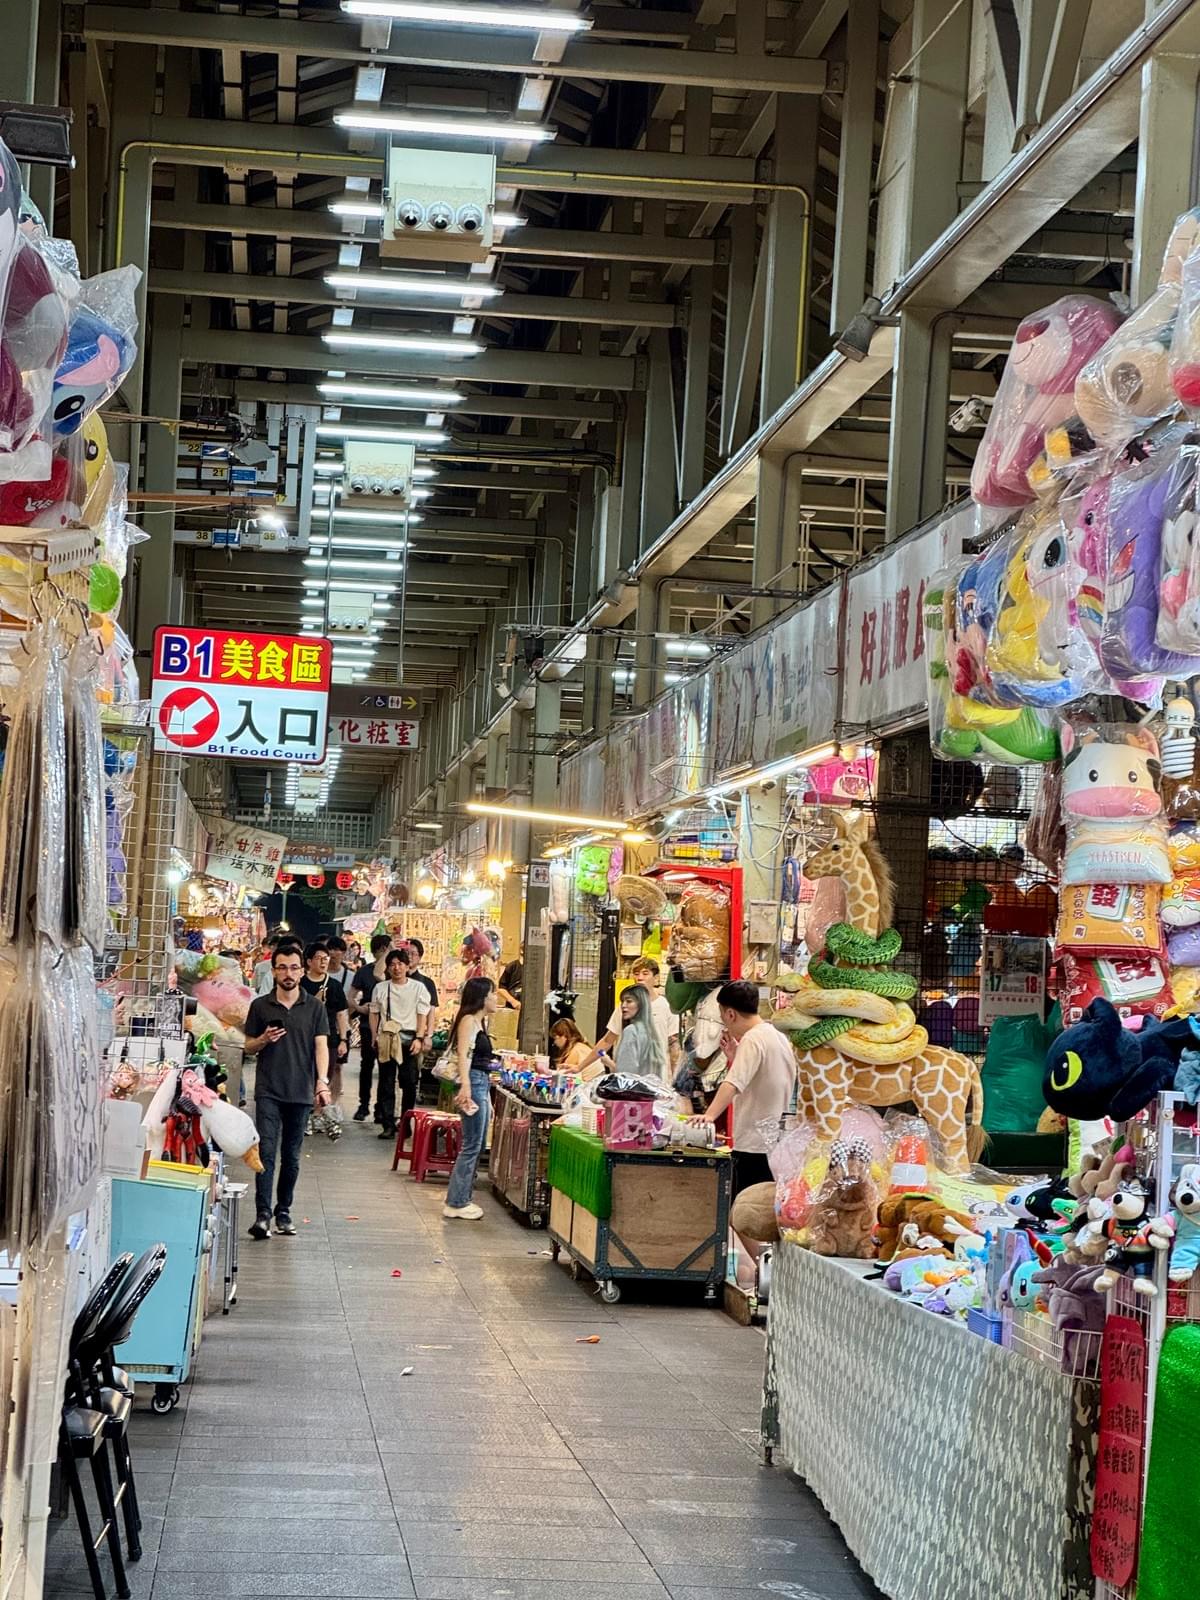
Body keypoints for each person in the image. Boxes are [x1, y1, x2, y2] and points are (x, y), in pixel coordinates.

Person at [243, 944, 331, 1239]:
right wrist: (264, 1038)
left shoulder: (315, 1007)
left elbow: (321, 1046)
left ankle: (284, 1212)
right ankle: (262, 1215)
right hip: (268, 1089)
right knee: (265, 1153)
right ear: (274, 971)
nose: (289, 973)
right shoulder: (260, 1006)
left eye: (294, 967)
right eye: (282, 967)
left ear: (303, 971)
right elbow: (248, 1046)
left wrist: (322, 1082)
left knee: (291, 1156)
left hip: (301, 1091)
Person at [689, 978, 797, 1200]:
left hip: (753, 1143)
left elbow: (733, 1083)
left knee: (738, 1211)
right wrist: (734, 1057)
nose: (725, 1025)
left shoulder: (753, 1039)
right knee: (762, 1210)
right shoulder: (776, 1035)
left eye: (723, 1018)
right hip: (775, 1141)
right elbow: (764, 1078)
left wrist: (709, 1116)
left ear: (730, 1014)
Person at [443, 976, 499, 1220]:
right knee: (472, 1144)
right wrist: (466, 1085)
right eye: (493, 994)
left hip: (480, 1082)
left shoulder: (479, 1022)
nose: (496, 998)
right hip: (473, 1083)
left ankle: (462, 1198)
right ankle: (456, 1201)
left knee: (475, 1144)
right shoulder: (468, 1021)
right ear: (482, 998)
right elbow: (464, 1055)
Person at [578, 958, 680, 1075]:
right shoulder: (624, 1006)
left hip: (657, 1076)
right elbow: (607, 1040)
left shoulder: (666, 1006)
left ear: (656, 978)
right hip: (627, 1076)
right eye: (636, 974)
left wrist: (675, 1079)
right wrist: (580, 1067)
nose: (640, 978)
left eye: (645, 973)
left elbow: (674, 1044)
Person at [370, 947, 431, 1139]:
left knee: (410, 1083)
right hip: (387, 1036)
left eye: (400, 964)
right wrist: (374, 1035)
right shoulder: (380, 988)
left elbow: (422, 1014)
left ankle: (405, 1122)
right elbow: (373, 1013)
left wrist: (420, 1037)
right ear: (387, 968)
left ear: (407, 966)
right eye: (392, 964)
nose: (396, 968)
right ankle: (388, 1124)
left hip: (409, 1037)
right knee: (386, 1082)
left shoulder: (418, 988)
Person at [300, 942, 350, 1139]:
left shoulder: (334, 985)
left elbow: (341, 1014)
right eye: (319, 958)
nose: (323, 962)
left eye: (326, 958)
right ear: (309, 961)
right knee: (305, 1075)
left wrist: (344, 1039)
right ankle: (306, 1114)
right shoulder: (301, 983)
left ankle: (317, 1114)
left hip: (328, 1038)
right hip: (303, 1038)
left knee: (324, 1076)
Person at [350, 931, 391, 1122]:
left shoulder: (392, 971)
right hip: (367, 1026)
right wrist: (360, 1008)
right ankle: (363, 1105)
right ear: (383, 950)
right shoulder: (365, 972)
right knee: (367, 1066)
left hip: (389, 1026)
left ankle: (380, 1108)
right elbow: (351, 996)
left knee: (386, 1068)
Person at [602, 984, 667, 1078]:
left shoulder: (631, 1031)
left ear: (641, 1004)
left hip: (634, 1090)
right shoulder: (651, 1032)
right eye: (622, 1001)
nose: (623, 1005)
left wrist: (609, 1063)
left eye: (629, 1001)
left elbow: (626, 1076)